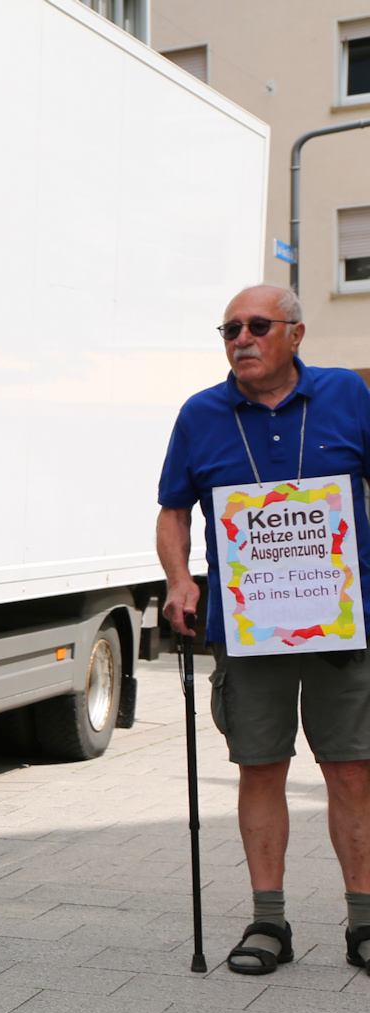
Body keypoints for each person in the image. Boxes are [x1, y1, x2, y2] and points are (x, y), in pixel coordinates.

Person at [156, 283, 370, 975]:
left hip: (344, 622)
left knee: (351, 769)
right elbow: (173, 512)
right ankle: (268, 921)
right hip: (249, 626)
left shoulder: (348, 394)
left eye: (256, 326)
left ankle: (364, 921)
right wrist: (180, 580)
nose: (241, 339)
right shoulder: (201, 414)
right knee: (261, 766)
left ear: (296, 333)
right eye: (230, 329)